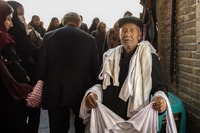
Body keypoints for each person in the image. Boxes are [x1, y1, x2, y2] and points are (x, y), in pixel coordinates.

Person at [80, 16, 169, 132]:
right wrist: (93, 93)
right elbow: (100, 84)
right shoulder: (109, 56)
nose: (127, 34)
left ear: (139, 35)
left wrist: (161, 99)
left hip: (136, 121)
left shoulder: (149, 57)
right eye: (124, 31)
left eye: (132, 30)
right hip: (108, 120)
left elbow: (159, 85)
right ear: (119, 35)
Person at [34, 12, 100, 133]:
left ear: (63, 21)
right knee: (81, 127)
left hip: (54, 91)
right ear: (79, 24)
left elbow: (41, 66)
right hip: (81, 91)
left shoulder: (48, 37)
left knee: (57, 128)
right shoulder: (90, 39)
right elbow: (95, 68)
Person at [6, 1, 41, 133]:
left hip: (24, 73)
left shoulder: (19, 29)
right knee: (30, 111)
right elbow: (27, 47)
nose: (21, 20)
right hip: (23, 76)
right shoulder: (11, 33)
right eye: (19, 15)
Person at [0, 1, 30, 133]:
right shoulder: (4, 39)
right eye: (8, 19)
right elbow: (16, 69)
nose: (11, 24)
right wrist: (26, 78)